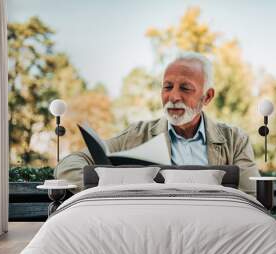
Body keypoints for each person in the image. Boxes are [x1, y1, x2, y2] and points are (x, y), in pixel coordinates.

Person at [54, 52, 260, 195]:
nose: (173, 97)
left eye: (185, 88)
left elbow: (251, 195)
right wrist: (110, 187)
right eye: (167, 87)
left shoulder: (235, 141)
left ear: (207, 97)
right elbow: (68, 166)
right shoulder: (137, 135)